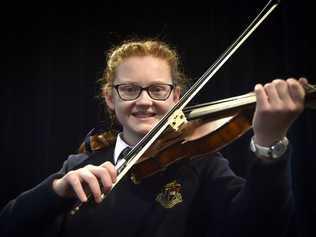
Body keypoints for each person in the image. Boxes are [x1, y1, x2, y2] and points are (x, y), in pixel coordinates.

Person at [0, 39, 307, 237]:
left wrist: (269, 144)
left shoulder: (201, 165)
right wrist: (57, 190)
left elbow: (264, 227)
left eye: (157, 89)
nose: (144, 102)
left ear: (176, 97)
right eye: (130, 89)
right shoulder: (81, 164)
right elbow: (10, 224)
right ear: (110, 97)